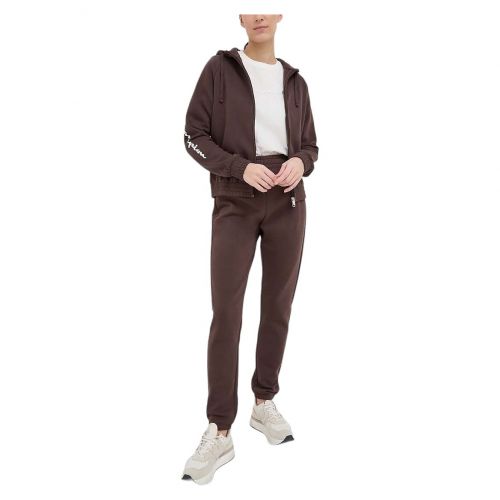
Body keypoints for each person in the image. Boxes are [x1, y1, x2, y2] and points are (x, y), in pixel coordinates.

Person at [181, 14, 319, 484]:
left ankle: (264, 401)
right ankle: (219, 429)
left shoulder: (295, 81)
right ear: (240, 16)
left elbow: (312, 147)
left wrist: (300, 161)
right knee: (227, 313)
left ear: (281, 14)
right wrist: (239, 168)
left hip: (288, 202)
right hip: (235, 202)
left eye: (268, 7)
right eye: (249, 8)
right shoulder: (219, 69)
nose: (259, 14)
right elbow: (193, 135)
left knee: (278, 306)